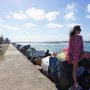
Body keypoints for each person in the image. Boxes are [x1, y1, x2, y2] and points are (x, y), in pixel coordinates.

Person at [68, 25, 84, 89]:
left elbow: (82, 46)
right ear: (76, 30)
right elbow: (70, 48)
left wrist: (82, 53)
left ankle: (76, 82)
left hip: (80, 55)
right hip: (74, 56)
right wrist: (71, 56)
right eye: (79, 30)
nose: (80, 31)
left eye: (80, 30)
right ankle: (75, 83)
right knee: (74, 69)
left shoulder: (81, 37)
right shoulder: (71, 38)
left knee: (76, 68)